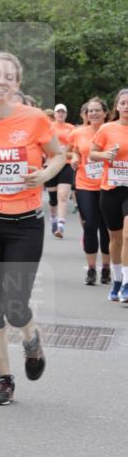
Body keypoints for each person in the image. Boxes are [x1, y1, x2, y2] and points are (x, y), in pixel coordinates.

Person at [0, 51, 66, 405]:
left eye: (8, 77)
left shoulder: (34, 119)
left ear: (17, 84)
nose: (1, 81)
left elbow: (60, 155)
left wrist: (46, 173)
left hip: (26, 225)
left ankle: (31, 340)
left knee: (16, 305)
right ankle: (4, 379)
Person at [89, 89, 128, 302]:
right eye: (123, 103)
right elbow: (92, 153)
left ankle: (127, 284)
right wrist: (105, 155)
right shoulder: (107, 129)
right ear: (117, 106)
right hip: (111, 189)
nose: (127, 106)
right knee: (115, 239)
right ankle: (118, 280)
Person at [69, 98, 111, 285]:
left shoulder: (111, 130)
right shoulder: (78, 133)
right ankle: (92, 269)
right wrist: (74, 158)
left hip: (107, 184)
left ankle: (107, 268)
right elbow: (71, 151)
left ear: (105, 113)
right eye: (90, 111)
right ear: (86, 114)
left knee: (107, 228)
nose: (93, 114)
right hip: (85, 184)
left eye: (97, 110)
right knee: (90, 225)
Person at [46, 103, 75, 238]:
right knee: (53, 199)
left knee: (63, 196)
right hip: (52, 164)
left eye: (63, 112)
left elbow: (75, 146)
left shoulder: (71, 128)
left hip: (66, 164)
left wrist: (69, 152)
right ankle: (53, 218)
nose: (61, 114)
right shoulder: (49, 127)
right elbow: (43, 144)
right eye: (59, 112)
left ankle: (61, 225)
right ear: (55, 114)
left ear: (66, 114)